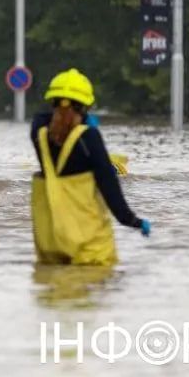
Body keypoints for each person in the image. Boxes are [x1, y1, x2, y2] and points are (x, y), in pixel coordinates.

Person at [30, 68, 151, 266]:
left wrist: (62, 107)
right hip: (89, 248)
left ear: (52, 101)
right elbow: (110, 189)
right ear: (85, 107)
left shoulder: (39, 135)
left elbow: (40, 118)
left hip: (50, 246)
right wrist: (133, 221)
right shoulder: (89, 139)